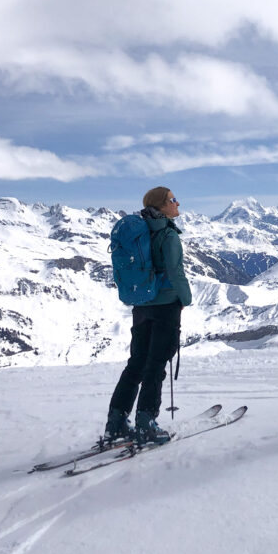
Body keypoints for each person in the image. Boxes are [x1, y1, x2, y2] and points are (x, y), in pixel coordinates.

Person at [104, 186, 192, 445]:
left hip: (141, 305)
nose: (178, 203)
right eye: (172, 200)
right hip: (166, 306)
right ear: (161, 206)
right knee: (156, 366)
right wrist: (185, 299)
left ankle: (116, 422)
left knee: (137, 364)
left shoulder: (139, 233)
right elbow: (176, 273)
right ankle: (146, 423)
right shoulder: (168, 236)